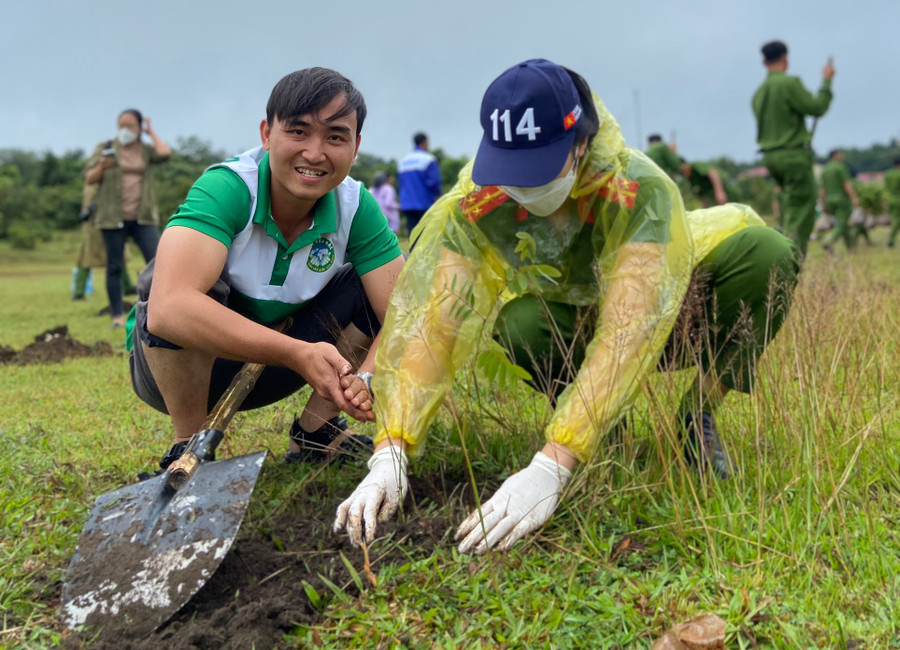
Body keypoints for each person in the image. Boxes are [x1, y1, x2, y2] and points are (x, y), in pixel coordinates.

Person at [333, 59, 799, 554]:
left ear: (580, 145)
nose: (526, 189)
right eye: (515, 171)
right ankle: (605, 431)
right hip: (579, 321)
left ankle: (697, 415)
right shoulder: (482, 199)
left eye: (540, 171)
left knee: (767, 252)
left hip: (675, 308)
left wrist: (552, 463)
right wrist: (392, 450)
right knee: (522, 323)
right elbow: (438, 317)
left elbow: (631, 329)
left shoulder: (638, 191)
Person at [127, 68, 405, 468]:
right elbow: (168, 308)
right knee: (168, 281)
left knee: (383, 284)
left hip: (282, 371)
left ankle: (316, 434)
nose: (314, 153)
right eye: (298, 132)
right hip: (180, 372)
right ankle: (188, 446)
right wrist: (296, 353)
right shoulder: (228, 188)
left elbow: (404, 313)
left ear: (356, 146)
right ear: (266, 134)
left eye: (335, 137)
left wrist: (368, 376)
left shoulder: (355, 206)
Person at [84, 110, 171, 327]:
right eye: (121, 124)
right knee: (114, 266)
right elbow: (89, 178)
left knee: (159, 262)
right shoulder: (106, 148)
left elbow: (165, 153)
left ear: (139, 127)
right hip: (112, 217)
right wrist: (102, 167)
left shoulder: (146, 150)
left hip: (143, 216)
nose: (125, 129)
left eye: (130, 125)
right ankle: (117, 316)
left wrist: (151, 131)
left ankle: (157, 309)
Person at [752, 40, 834, 258]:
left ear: (764, 62)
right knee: (801, 212)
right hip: (793, 156)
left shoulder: (759, 93)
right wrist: (826, 81)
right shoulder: (788, 84)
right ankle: (790, 263)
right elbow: (816, 108)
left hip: (770, 157)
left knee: (789, 208)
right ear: (785, 59)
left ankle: (782, 250)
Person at [72, 181, 137, 301]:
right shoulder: (91, 185)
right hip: (94, 227)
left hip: (110, 223)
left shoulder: (108, 182)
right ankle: (78, 292)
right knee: (87, 258)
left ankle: (128, 287)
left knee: (117, 256)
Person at [397, 132, 441, 235]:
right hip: (424, 202)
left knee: (412, 234)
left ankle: (413, 251)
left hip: (407, 203)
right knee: (426, 234)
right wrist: (438, 195)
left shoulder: (403, 161)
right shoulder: (428, 159)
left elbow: (401, 183)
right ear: (424, 142)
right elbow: (433, 182)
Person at [819, 149, 863, 252]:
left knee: (844, 224)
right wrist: (854, 198)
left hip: (829, 200)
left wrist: (823, 203)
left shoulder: (826, 169)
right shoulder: (840, 167)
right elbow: (846, 184)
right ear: (836, 155)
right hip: (841, 199)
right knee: (843, 224)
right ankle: (829, 241)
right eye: (841, 154)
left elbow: (822, 189)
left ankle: (850, 247)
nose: (843, 156)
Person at [883, 158, 900, 249]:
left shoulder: (888, 173)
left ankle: (891, 240)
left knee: (896, 219)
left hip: (890, 200)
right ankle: (890, 240)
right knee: (897, 220)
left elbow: (886, 187)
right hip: (898, 200)